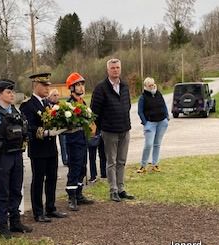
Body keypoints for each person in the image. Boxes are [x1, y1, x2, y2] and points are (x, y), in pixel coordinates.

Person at [0, 79, 32, 239]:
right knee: (3, 192)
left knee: (16, 190)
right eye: (8, 92)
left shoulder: (15, 111)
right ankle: (2, 226)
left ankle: (15, 222)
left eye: (12, 92)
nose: (12, 95)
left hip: (16, 155)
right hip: (2, 158)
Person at [20, 73, 67, 222]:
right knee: (38, 180)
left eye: (48, 85)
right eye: (44, 85)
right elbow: (29, 127)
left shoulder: (48, 104)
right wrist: (45, 132)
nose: (48, 88)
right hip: (38, 149)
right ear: (35, 86)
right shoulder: (27, 105)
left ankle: (51, 207)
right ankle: (38, 212)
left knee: (52, 178)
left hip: (51, 148)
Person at [91, 58, 135, 202]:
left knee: (122, 161)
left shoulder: (124, 86)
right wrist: (102, 126)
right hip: (109, 131)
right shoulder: (101, 88)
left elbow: (127, 105)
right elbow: (94, 111)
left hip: (124, 129)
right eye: (113, 68)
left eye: (117, 67)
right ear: (108, 70)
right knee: (111, 162)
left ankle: (121, 189)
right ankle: (113, 190)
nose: (115, 70)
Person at [64, 72, 94, 211]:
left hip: (83, 140)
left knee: (82, 167)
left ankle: (79, 194)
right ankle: (71, 197)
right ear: (71, 88)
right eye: (78, 85)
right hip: (73, 141)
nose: (81, 88)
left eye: (82, 85)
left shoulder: (83, 102)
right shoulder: (69, 105)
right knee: (74, 168)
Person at [137, 77, 169, 173]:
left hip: (162, 122)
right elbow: (140, 111)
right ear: (146, 86)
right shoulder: (143, 97)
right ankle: (143, 166)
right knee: (148, 144)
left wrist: (167, 117)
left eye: (153, 84)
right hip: (150, 124)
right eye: (149, 85)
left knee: (157, 144)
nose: (152, 86)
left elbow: (164, 105)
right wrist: (145, 123)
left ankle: (155, 164)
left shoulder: (158, 94)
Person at [47, 89, 68, 166]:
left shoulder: (60, 105)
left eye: (57, 95)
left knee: (63, 142)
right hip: (50, 128)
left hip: (59, 126)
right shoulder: (47, 104)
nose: (56, 97)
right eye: (54, 95)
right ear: (50, 97)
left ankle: (65, 159)